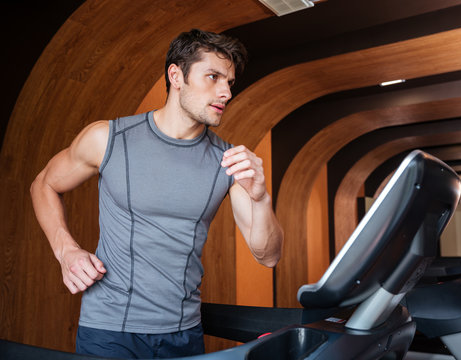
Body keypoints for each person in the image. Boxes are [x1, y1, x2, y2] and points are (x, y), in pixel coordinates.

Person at [30, 28, 283, 359]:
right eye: (213, 77)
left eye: (229, 82)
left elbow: (269, 255)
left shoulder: (228, 161)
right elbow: (44, 184)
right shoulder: (108, 138)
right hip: (109, 330)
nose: (226, 92)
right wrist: (66, 251)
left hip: (183, 334)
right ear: (176, 76)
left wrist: (261, 198)